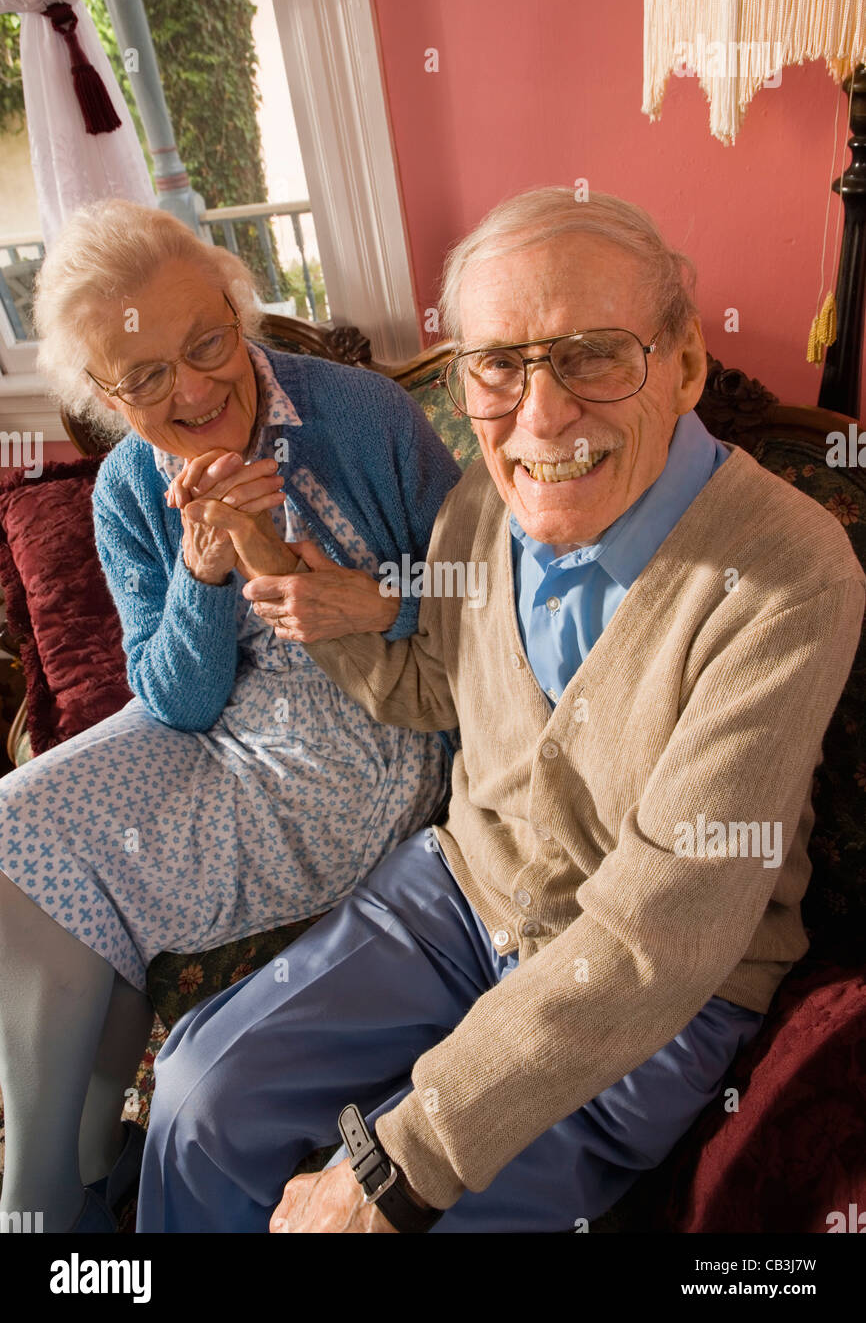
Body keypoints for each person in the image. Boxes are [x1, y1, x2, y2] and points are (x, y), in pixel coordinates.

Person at [136, 187, 865, 1234]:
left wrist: (390, 1168)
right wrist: (287, 578)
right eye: (499, 364)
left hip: (653, 991)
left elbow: (658, 932)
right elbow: (436, 690)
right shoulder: (485, 500)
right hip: (455, 894)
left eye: (592, 354)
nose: (541, 413)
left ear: (685, 365)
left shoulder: (791, 571)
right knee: (199, 1093)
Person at [0, 198, 461, 1233]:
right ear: (106, 397)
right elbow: (171, 700)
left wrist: (378, 599)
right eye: (146, 378)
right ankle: (65, 1178)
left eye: (207, 342)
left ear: (237, 306)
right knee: (13, 828)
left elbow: (492, 591)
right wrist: (203, 572)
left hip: (369, 737)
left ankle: (42, 1204)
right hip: (219, 739)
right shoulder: (126, 487)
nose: (196, 387)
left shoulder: (361, 416)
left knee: (91, 880)